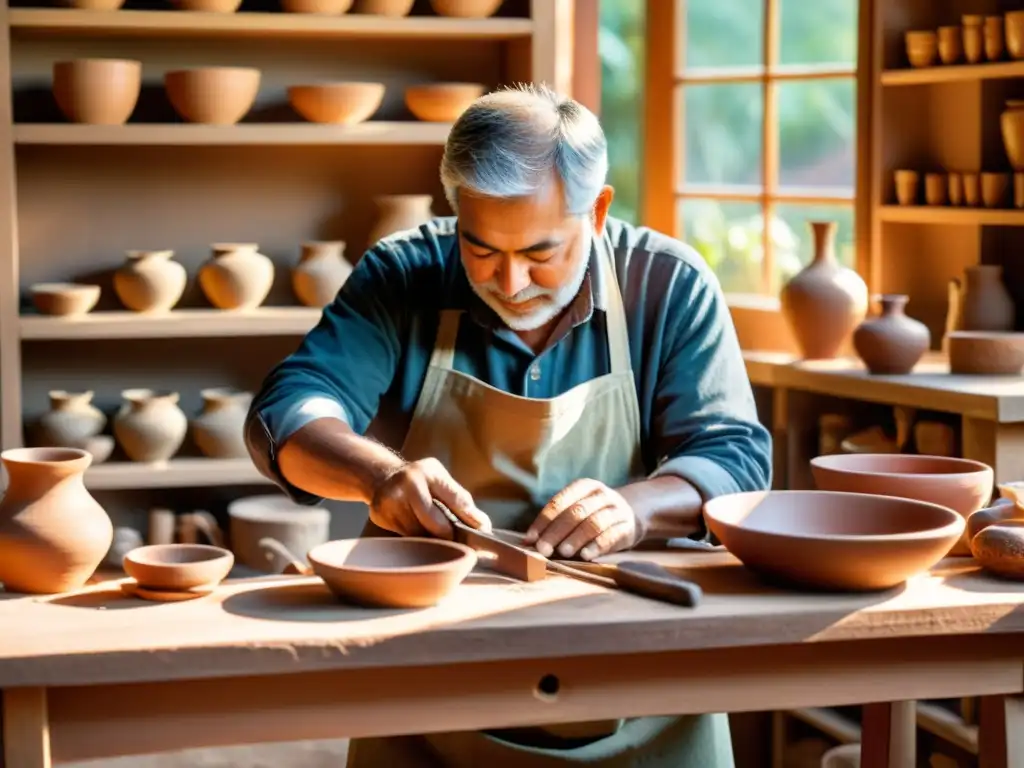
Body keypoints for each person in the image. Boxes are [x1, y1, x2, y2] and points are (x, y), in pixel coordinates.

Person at [244, 83, 772, 768]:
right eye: (482, 248)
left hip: (641, 678)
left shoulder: (667, 285)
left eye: (541, 253)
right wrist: (381, 477)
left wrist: (635, 508)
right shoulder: (405, 274)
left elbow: (734, 455)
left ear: (599, 208)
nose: (512, 280)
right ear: (456, 211)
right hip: (430, 682)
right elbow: (291, 409)